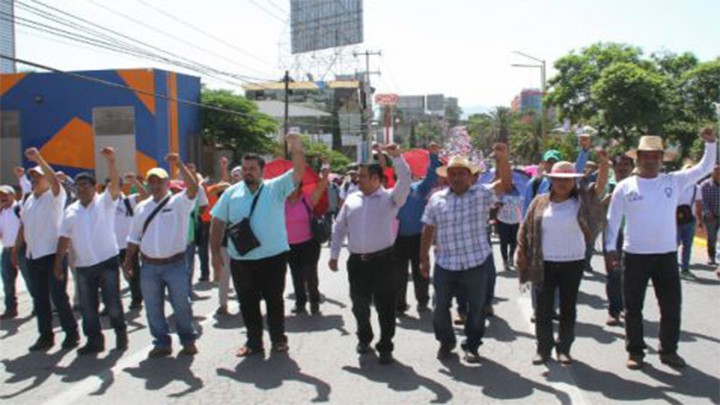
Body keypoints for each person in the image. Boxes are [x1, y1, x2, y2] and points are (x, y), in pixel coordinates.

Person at [606, 127, 717, 370]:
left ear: (660, 158)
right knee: (633, 307)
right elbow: (613, 220)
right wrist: (610, 250)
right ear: (638, 158)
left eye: (655, 155)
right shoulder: (625, 186)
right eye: (646, 155)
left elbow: (704, 168)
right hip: (634, 255)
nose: (651, 159)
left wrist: (710, 143)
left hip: (666, 255)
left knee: (671, 306)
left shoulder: (674, 181)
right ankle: (635, 352)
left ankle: (668, 351)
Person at [210, 132, 306, 357]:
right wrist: (215, 254)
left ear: (262, 171)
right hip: (242, 259)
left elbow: (298, 171)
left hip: (273, 257)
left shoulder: (275, 187)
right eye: (244, 168)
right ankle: (254, 342)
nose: (247, 172)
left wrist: (296, 147)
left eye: (252, 168)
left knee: (274, 301)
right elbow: (217, 221)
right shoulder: (231, 193)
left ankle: (278, 339)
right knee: (247, 302)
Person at [420, 144, 511, 364]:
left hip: (475, 263)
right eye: (453, 174)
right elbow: (429, 229)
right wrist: (423, 258)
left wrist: (502, 159)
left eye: (462, 173)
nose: (457, 177)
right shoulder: (436, 199)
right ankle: (446, 342)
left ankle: (472, 346)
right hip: (445, 264)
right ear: (446, 177)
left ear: (470, 176)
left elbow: (506, 184)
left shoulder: (481, 193)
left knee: (476, 309)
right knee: (439, 307)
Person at [517, 153, 608, 365]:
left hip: (573, 263)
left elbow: (600, 187)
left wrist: (604, 165)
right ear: (551, 180)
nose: (562, 183)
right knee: (543, 309)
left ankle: (564, 348)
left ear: (574, 181)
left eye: (567, 179)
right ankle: (543, 349)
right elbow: (525, 226)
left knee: (568, 308)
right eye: (558, 178)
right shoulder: (540, 202)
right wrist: (521, 251)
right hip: (544, 263)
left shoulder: (582, 200)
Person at [329, 144, 411, 365]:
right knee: (359, 304)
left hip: (384, 261)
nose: (358, 180)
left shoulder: (391, 199)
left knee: (385, 306)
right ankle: (364, 338)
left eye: (363, 176)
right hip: (357, 263)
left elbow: (405, 180)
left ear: (376, 178)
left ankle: (385, 346)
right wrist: (334, 254)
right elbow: (339, 227)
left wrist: (396, 157)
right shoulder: (352, 199)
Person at [124, 153, 200, 358]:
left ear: (167, 183)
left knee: (181, 305)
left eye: (159, 181)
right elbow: (133, 236)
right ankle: (161, 342)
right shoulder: (141, 207)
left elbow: (193, 188)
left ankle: (188, 339)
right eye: (152, 182)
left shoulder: (179, 203)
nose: (155, 185)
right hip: (148, 266)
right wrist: (128, 260)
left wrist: (179, 165)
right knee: (153, 307)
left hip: (175, 264)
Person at [54, 147, 128, 355]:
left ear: (94, 187)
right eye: (78, 186)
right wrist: (58, 262)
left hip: (107, 261)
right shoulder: (71, 210)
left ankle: (120, 334)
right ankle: (94, 341)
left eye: (85, 185)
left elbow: (114, 183)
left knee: (112, 303)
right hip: (84, 265)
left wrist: (111, 161)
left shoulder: (105, 202)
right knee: (88, 307)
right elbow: (64, 238)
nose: (81, 189)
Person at [12, 148, 79, 352]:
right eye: (32, 178)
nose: (34, 181)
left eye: (38, 178)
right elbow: (23, 226)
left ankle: (71, 333)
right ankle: (45, 336)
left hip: (52, 255)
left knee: (58, 297)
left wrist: (39, 159)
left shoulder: (54, 197)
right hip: (33, 255)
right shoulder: (29, 200)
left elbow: (56, 181)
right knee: (40, 298)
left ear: (47, 181)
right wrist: (16, 250)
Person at [394, 142, 441, 315]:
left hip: (418, 238)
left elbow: (431, 175)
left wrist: (433, 155)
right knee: (399, 273)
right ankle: (399, 303)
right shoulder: (392, 192)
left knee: (420, 269)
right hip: (397, 239)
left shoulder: (419, 189)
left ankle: (422, 301)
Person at [286, 171, 329, 315]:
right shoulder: (281, 203)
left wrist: (325, 175)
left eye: (295, 186)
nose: (292, 189)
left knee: (310, 273)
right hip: (290, 246)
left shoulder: (307, 200)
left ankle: (315, 302)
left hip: (309, 243)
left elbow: (320, 188)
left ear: (300, 187)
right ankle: (300, 303)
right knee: (296, 275)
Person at [601, 154, 634, 326]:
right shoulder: (607, 185)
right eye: (619, 165)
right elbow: (596, 206)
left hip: (633, 234)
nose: (622, 168)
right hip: (612, 233)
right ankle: (614, 311)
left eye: (626, 164)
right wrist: (606, 200)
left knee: (631, 275)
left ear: (632, 167)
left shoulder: (638, 185)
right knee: (613, 273)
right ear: (614, 167)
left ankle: (629, 309)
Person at [114, 173, 148, 310]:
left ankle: (136, 298)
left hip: (128, 245)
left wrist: (135, 182)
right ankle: (111, 304)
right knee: (110, 279)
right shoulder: (102, 203)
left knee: (133, 274)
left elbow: (145, 196)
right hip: (110, 247)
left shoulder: (127, 201)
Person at [0, 185, 26, 319]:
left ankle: (39, 307)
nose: (2, 197)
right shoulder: (1, 212)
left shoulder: (19, 208)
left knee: (30, 281)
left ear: (13, 195)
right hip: (6, 250)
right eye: (0, 195)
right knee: (8, 282)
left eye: (5, 194)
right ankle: (10, 309)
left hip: (22, 249)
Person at [675, 164, 702, 276]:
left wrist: (699, 220)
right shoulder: (676, 186)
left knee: (687, 245)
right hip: (674, 221)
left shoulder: (697, 188)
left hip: (689, 221)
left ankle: (685, 268)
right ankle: (672, 267)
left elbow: (699, 205)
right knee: (673, 245)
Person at [496, 185, 523, 272]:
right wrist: (498, 203)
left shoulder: (520, 192)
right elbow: (494, 203)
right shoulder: (501, 192)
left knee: (514, 241)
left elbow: (522, 206)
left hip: (515, 221)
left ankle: (511, 256)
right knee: (503, 242)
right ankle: (505, 261)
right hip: (502, 220)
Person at [698, 165, 719, 266]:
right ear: (712, 173)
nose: (718, 173)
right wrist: (708, 213)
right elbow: (703, 202)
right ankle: (712, 257)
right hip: (711, 217)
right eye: (716, 171)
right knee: (712, 238)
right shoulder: (705, 185)